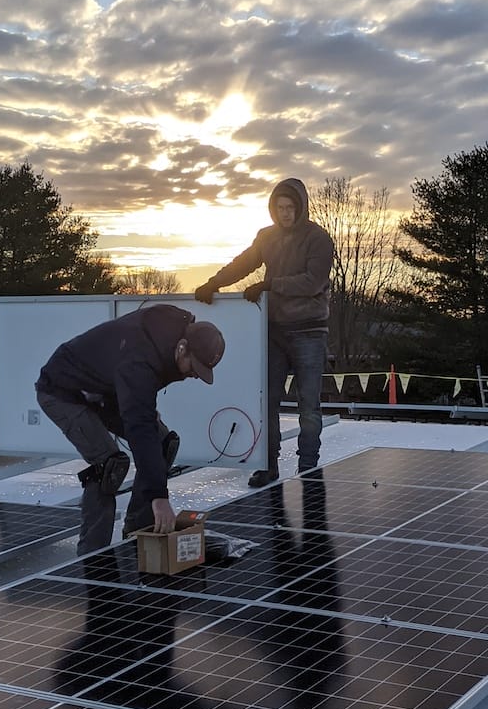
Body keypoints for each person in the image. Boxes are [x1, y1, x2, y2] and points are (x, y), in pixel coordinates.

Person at [35, 303, 225, 555]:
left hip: (105, 390)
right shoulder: (141, 359)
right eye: (194, 367)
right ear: (182, 347)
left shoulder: (172, 333)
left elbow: (137, 394)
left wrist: (137, 402)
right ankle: (93, 555)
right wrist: (159, 496)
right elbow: (139, 427)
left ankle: (139, 527)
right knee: (109, 465)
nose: (193, 375)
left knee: (163, 443)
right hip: (63, 390)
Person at [195, 177, 334, 486]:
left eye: (290, 208)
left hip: (309, 331)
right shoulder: (266, 237)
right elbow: (243, 263)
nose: (285, 213)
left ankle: (308, 468)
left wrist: (272, 284)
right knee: (267, 401)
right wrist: (214, 283)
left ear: (300, 208)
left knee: (308, 404)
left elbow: (313, 282)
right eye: (279, 208)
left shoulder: (318, 238)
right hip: (274, 331)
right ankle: (268, 465)